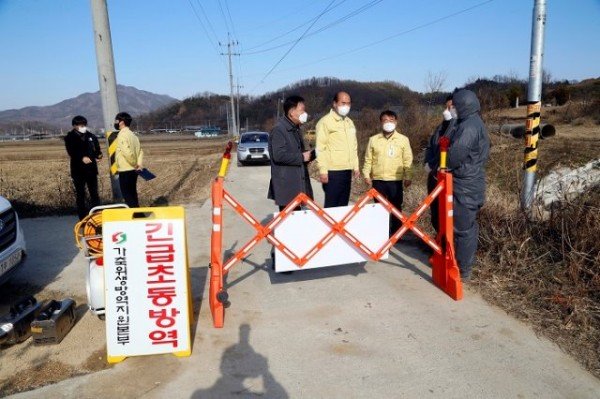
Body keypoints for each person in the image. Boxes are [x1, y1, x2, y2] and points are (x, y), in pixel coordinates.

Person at [446, 89, 490, 280]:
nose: (452, 108)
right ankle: (459, 263)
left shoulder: (469, 126)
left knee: (463, 228)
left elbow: (457, 153)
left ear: (463, 105)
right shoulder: (469, 122)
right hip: (469, 181)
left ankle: (463, 270)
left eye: (455, 105)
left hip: (466, 184)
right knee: (464, 227)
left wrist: (444, 164)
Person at [362, 110, 413, 237]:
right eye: (385, 120)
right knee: (379, 208)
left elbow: (407, 159)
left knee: (396, 207)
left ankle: (396, 233)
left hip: (395, 180)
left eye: (391, 120)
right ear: (380, 122)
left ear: (396, 122)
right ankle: (381, 234)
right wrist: (366, 174)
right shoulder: (373, 140)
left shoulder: (403, 139)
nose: (388, 123)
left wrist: (408, 176)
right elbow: (368, 159)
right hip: (378, 180)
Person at [267, 95, 314, 211]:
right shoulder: (279, 130)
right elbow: (278, 155)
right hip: (287, 186)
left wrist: (310, 155)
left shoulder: (296, 128)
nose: (305, 113)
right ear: (292, 112)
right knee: (288, 222)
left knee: (296, 222)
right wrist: (302, 157)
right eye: (302, 110)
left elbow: (296, 153)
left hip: (297, 183)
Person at [315, 91, 359, 208]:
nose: (346, 106)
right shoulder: (325, 122)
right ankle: (329, 227)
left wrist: (356, 166)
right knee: (332, 206)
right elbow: (320, 148)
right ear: (334, 103)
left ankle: (340, 226)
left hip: (347, 170)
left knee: (343, 205)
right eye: (343, 103)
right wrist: (323, 170)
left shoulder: (349, 122)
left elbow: (353, 146)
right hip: (333, 171)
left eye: (349, 103)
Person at [424, 95, 457, 232]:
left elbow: (452, 152)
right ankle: (438, 243)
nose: (448, 110)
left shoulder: (461, 129)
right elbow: (431, 146)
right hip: (434, 176)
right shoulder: (440, 127)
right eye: (447, 107)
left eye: (452, 107)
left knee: (449, 214)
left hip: (450, 178)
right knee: (436, 213)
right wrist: (428, 162)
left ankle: (448, 247)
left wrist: (433, 164)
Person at [64, 115, 102, 219]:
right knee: (81, 195)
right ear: (75, 126)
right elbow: (71, 151)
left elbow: (97, 149)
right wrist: (82, 157)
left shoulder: (91, 136)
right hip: (78, 171)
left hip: (91, 170)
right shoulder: (69, 137)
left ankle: (97, 216)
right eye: (81, 125)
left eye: (84, 125)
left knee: (94, 194)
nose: (83, 127)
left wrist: (98, 155)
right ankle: (83, 218)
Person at [114, 112, 143, 208]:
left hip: (126, 169)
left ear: (122, 122)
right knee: (133, 193)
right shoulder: (133, 135)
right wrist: (138, 164)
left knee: (127, 195)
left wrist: (134, 164)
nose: (115, 122)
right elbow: (140, 151)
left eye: (117, 120)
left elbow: (127, 153)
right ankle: (138, 214)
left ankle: (135, 216)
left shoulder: (122, 135)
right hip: (134, 170)